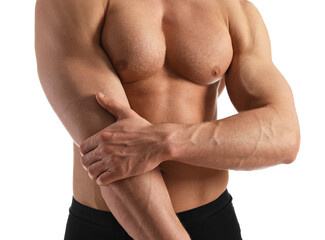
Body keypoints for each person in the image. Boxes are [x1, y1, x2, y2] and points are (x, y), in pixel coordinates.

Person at [34, 0, 300, 239]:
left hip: (214, 220)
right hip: (110, 224)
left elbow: (284, 135)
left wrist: (165, 141)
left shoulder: (232, 8)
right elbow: (110, 152)